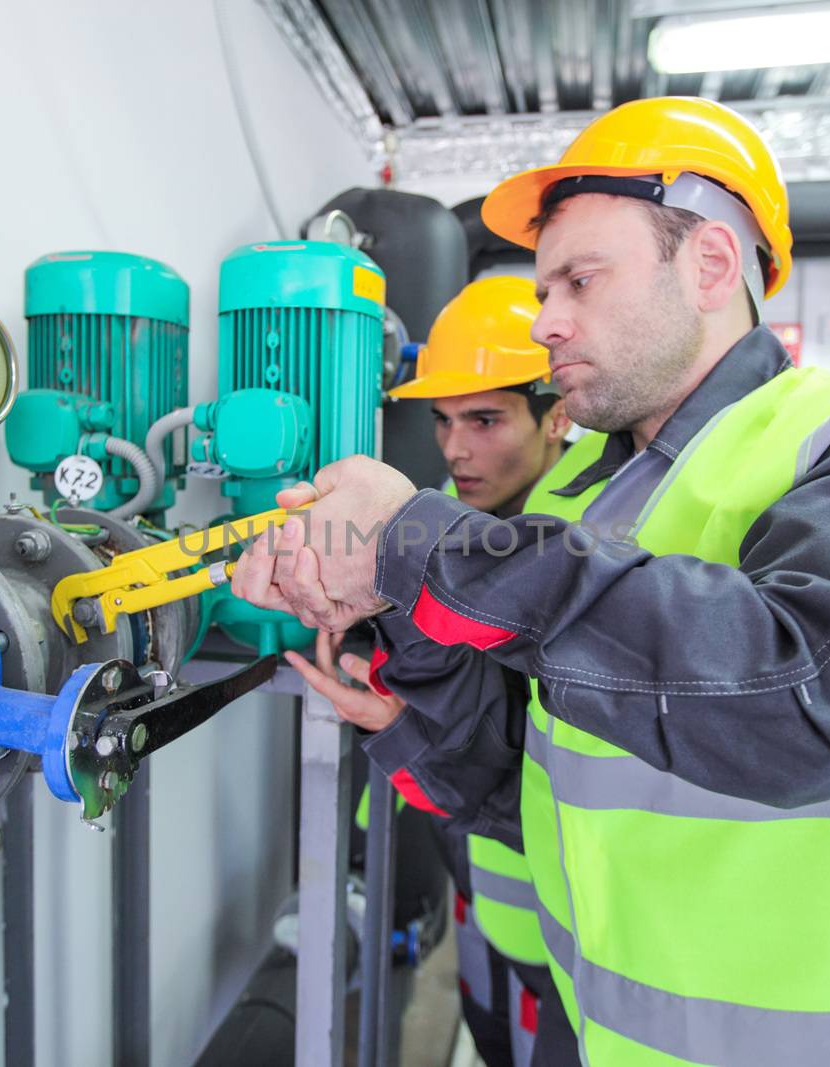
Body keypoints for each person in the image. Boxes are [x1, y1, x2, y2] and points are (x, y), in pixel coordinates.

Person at [238, 97, 830, 1066]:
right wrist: (405, 650)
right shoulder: (579, 499)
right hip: (587, 1024)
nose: (545, 320)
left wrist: (423, 542)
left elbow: (820, 695)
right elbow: (531, 791)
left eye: (578, 280)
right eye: (540, 288)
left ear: (711, 265)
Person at [286, 276, 578, 1067]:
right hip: (479, 881)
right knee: (490, 1035)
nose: (456, 448)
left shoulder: (587, 544)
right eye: (444, 420)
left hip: (577, 935)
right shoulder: (427, 531)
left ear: (558, 415)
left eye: (485, 419)